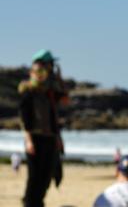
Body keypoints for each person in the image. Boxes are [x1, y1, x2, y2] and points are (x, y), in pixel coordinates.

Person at [18, 50, 67, 207]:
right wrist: (29, 140)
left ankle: (37, 202)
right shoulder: (28, 91)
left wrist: (59, 78)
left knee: (47, 174)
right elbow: (24, 118)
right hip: (35, 138)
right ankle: (30, 203)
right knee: (35, 175)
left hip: (50, 137)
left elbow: (64, 100)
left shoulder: (50, 91)